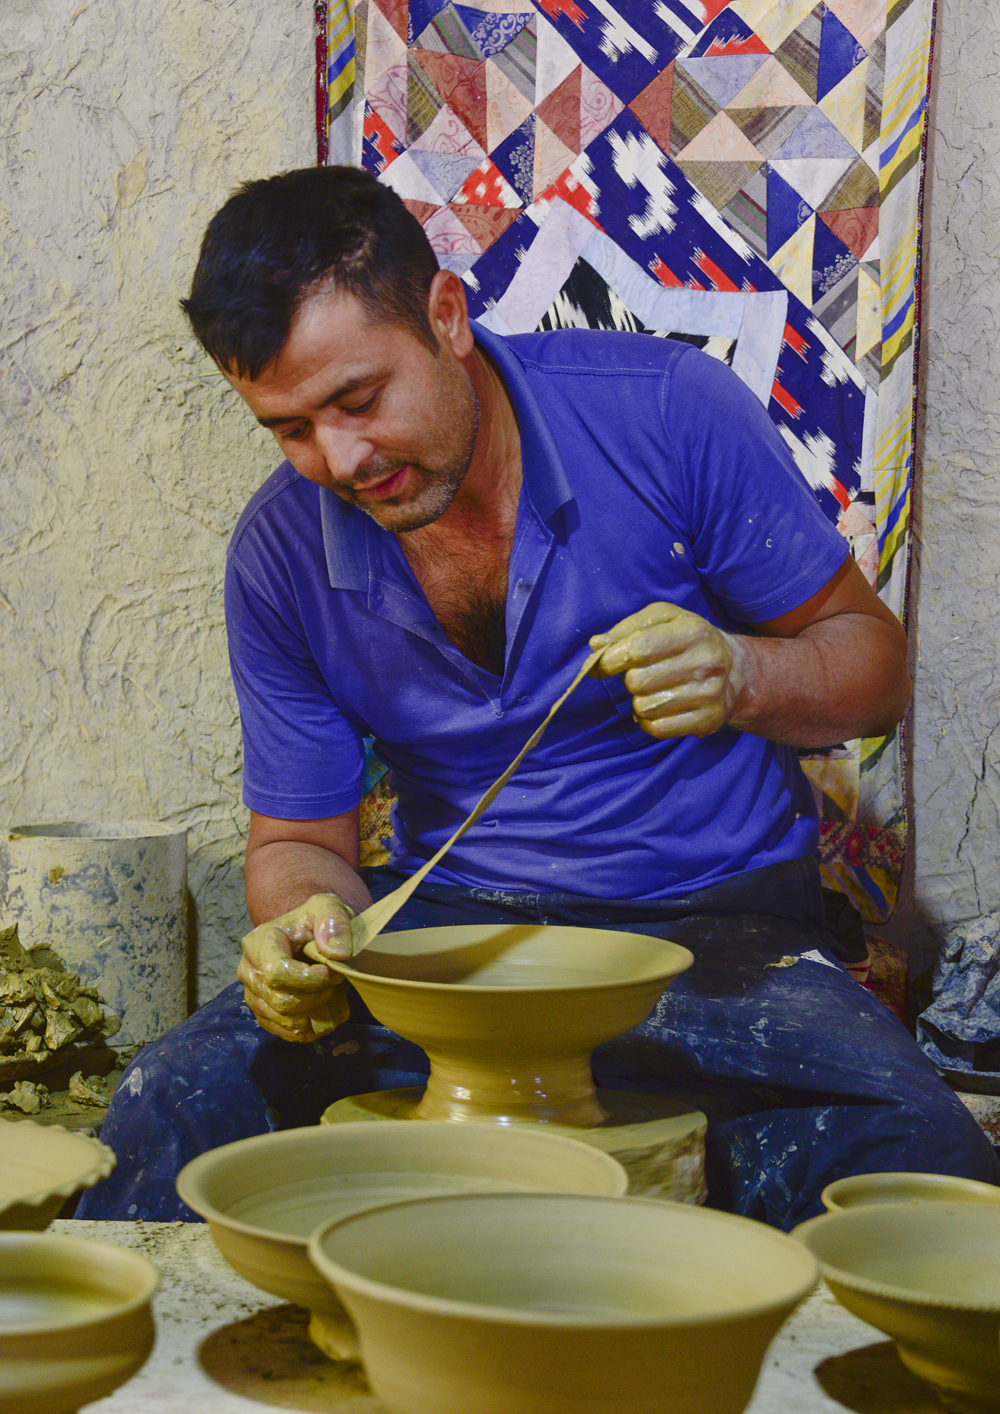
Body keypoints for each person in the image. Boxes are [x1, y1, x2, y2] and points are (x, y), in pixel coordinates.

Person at [79, 166, 998, 1227]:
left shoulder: (666, 414)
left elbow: (870, 670)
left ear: (446, 317)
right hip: (445, 934)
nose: (337, 459)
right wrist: (304, 924)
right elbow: (297, 837)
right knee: (168, 1109)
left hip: (715, 930)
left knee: (926, 1178)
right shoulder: (279, 553)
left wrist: (746, 675)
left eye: (358, 399)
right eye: (288, 428)